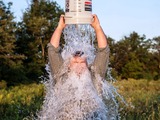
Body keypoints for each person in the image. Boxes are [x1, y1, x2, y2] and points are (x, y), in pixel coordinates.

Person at [46, 14, 112, 119]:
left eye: (82, 63)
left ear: (87, 65)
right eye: (76, 63)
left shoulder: (95, 76)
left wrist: (97, 28)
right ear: (68, 66)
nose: (79, 67)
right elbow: (52, 50)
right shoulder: (61, 76)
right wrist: (59, 28)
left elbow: (103, 51)